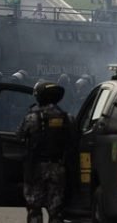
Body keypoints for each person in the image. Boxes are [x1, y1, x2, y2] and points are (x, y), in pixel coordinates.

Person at [17, 82, 74, 223]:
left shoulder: (32, 117)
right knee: (56, 209)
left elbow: (19, 136)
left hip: (36, 168)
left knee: (34, 208)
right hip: (59, 167)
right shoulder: (67, 117)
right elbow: (74, 140)